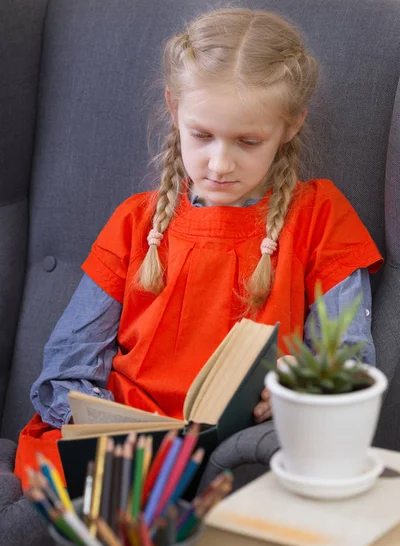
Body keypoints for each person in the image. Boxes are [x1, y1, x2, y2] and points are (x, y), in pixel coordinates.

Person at [14, 7, 383, 487]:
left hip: (237, 454)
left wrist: (297, 388)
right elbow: (64, 369)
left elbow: (350, 367)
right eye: (202, 135)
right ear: (174, 110)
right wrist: (103, 423)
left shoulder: (320, 217)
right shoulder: (135, 222)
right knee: (54, 516)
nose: (220, 163)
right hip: (120, 450)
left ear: (291, 126)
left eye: (248, 141)